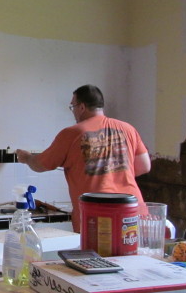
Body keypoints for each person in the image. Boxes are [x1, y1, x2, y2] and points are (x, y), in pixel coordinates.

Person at [16, 85, 151, 233]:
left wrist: (27, 157)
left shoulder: (72, 133)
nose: (73, 111)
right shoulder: (128, 129)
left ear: (81, 107)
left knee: (95, 256)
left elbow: (40, 165)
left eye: (72, 106)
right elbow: (144, 166)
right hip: (132, 211)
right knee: (132, 255)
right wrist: (114, 173)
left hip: (97, 214)